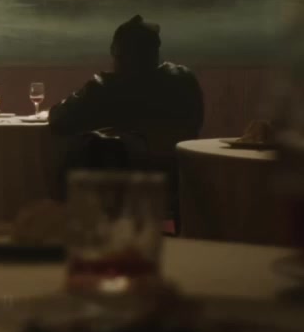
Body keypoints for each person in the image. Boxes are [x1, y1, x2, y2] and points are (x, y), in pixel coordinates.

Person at [48, 14, 204, 217]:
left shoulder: (105, 87)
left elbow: (59, 119)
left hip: (120, 189)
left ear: (117, 53)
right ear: (155, 51)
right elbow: (196, 124)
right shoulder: (185, 80)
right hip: (176, 181)